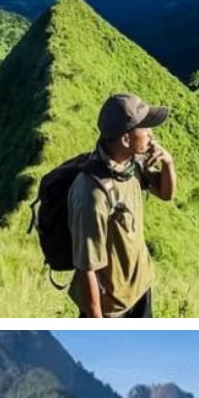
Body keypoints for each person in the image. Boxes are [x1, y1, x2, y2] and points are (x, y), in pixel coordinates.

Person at [67, 92, 177, 318]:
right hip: (112, 308)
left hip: (140, 290)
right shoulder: (92, 194)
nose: (151, 134)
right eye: (144, 129)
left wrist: (168, 162)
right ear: (126, 139)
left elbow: (166, 194)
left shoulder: (132, 163)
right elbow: (87, 267)